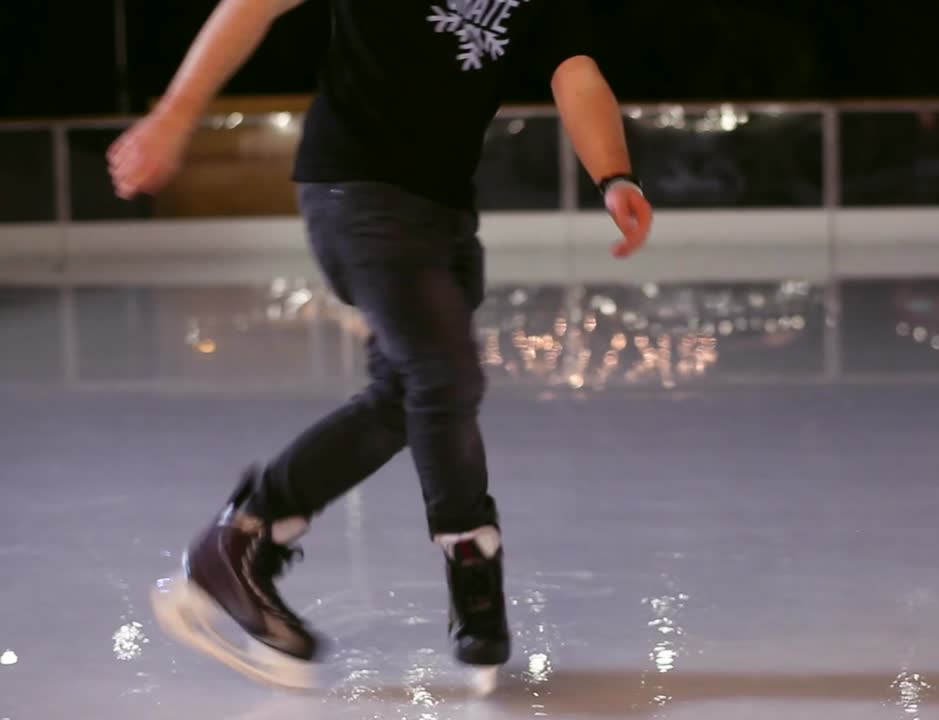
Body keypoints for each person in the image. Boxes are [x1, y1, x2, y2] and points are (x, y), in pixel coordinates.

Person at [108, 0, 653, 690]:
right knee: (442, 377)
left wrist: (615, 175)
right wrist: (174, 116)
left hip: (444, 209)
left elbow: (574, 72)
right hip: (356, 187)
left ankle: (239, 543)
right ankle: (470, 555)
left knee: (406, 396)